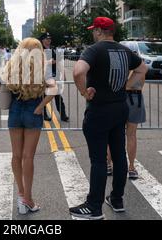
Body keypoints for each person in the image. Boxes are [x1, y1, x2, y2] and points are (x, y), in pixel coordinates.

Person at [70, 17, 148, 220]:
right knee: (119, 155)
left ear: (98, 31)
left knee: (98, 160)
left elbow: (78, 71)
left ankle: (94, 207)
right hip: (120, 108)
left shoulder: (94, 50)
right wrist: (126, 85)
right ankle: (117, 199)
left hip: (99, 110)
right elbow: (143, 69)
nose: (92, 33)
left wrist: (83, 92)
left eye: (93, 30)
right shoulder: (125, 50)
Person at [2, 38, 57, 215]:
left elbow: (2, 81)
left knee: (16, 155)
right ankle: (28, 198)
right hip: (33, 109)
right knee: (28, 157)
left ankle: (20, 194)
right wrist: (41, 107)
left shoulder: (12, 64)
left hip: (15, 109)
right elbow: (53, 89)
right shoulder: (42, 66)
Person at [107, 51, 147, 180]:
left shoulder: (120, 66)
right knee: (131, 134)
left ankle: (108, 164)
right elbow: (141, 83)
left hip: (120, 98)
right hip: (135, 98)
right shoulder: (141, 67)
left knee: (112, 133)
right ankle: (131, 167)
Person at [39, 32, 69, 122]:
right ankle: (44, 114)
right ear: (42, 40)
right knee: (43, 96)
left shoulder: (53, 50)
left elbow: (59, 62)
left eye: (50, 39)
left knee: (58, 96)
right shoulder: (39, 50)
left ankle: (63, 115)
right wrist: (47, 62)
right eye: (47, 39)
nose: (49, 41)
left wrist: (63, 73)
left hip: (54, 76)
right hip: (43, 76)